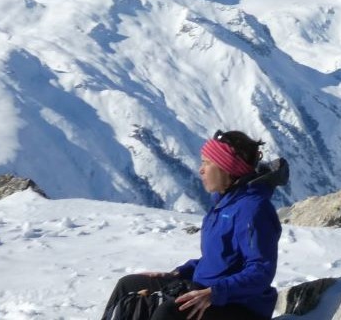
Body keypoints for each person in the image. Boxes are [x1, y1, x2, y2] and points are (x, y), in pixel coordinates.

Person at [102, 131, 285, 320]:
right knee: (128, 285)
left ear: (227, 167)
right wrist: (177, 273)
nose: (201, 170)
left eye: (207, 163)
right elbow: (219, 260)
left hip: (241, 307)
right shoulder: (224, 204)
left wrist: (215, 293)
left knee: (169, 313)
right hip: (208, 291)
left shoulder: (253, 209)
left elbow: (261, 271)